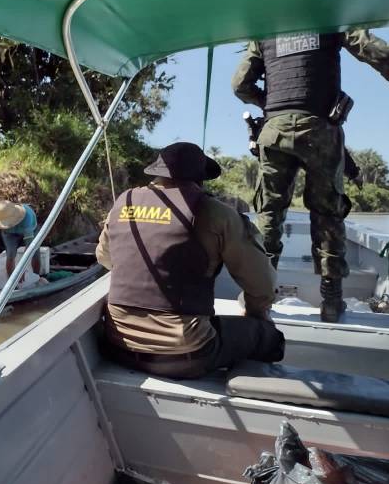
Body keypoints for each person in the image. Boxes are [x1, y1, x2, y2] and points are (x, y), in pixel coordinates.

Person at [232, 30, 389, 322]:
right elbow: (382, 55)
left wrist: (271, 106)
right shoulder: (331, 19)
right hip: (320, 129)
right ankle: (332, 302)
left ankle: (258, 298)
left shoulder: (266, 33)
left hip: (274, 130)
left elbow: (240, 85)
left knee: (269, 214)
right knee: (327, 214)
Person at [96, 142, 284, 380]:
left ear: (156, 173)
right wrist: (256, 312)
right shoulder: (216, 213)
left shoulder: (125, 201)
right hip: (185, 356)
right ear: (201, 178)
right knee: (268, 336)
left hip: (117, 346)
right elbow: (262, 283)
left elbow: (104, 257)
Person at [0, 200, 40, 281]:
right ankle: (12, 283)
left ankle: (36, 278)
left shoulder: (27, 217)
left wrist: (21, 269)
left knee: (35, 253)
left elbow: (29, 246)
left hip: (31, 229)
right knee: (10, 254)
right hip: (9, 234)